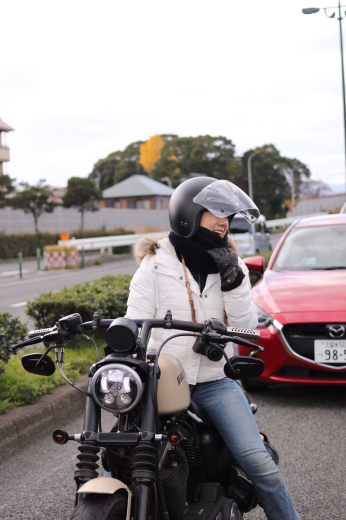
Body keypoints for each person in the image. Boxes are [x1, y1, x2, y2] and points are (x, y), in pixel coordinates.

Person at [125, 177, 301, 520]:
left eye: (228, 214)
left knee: (257, 461)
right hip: (161, 379)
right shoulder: (156, 261)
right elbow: (135, 322)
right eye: (216, 212)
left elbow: (246, 331)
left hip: (215, 380)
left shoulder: (230, 265)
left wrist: (234, 282)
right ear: (188, 214)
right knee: (126, 451)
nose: (224, 221)